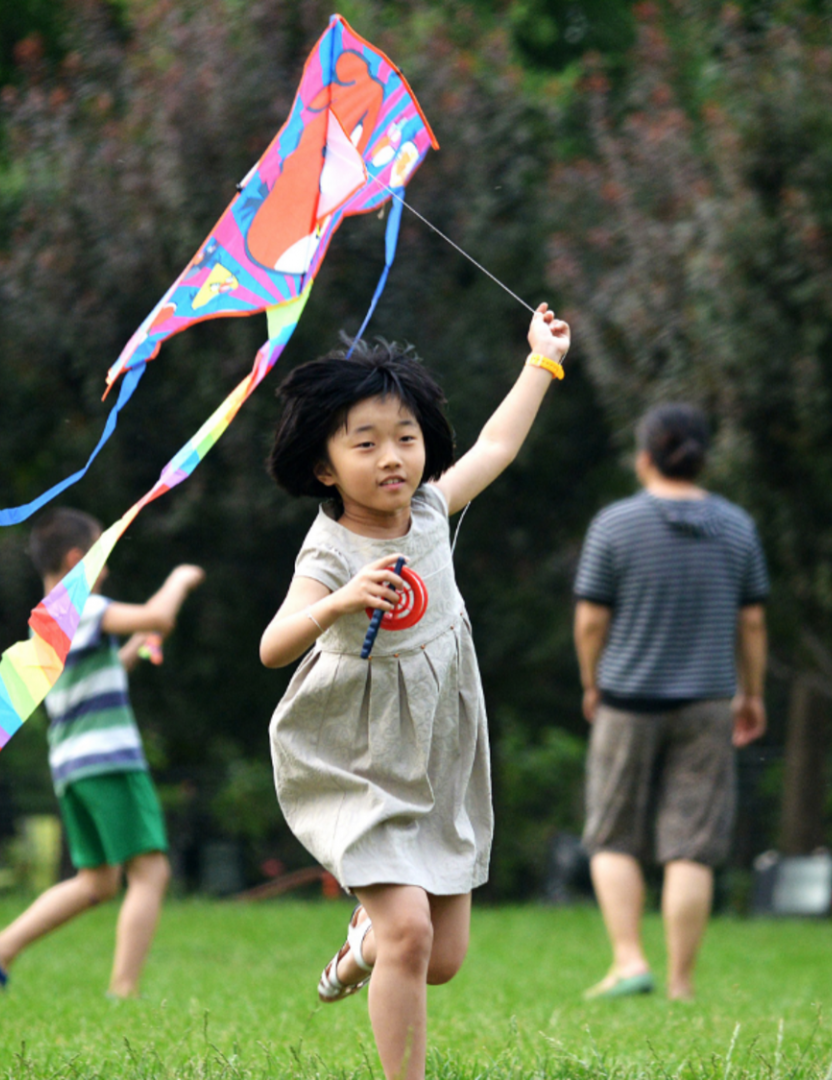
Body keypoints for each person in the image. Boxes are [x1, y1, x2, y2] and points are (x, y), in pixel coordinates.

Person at [258, 305, 571, 1080]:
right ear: (326, 466)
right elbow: (272, 646)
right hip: (354, 755)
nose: (392, 457)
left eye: (405, 437)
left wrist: (543, 360)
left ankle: (363, 943)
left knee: (441, 958)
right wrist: (335, 602)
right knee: (411, 936)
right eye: (365, 443)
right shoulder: (328, 549)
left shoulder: (429, 506)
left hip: (438, 746)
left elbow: (497, 444)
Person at [0, 508, 204, 1000]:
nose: (107, 568)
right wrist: (179, 580)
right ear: (78, 558)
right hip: (109, 761)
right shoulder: (81, 607)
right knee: (151, 872)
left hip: (73, 768)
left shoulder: (45, 623)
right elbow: (159, 614)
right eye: (102, 555)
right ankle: (124, 991)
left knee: (97, 882)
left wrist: (138, 644)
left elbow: (102, 671)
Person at [572, 403, 768, 1002]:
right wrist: (752, 692)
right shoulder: (737, 527)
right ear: (703, 456)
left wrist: (591, 681)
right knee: (692, 845)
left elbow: (589, 620)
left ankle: (629, 961)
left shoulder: (615, 524)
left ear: (645, 457)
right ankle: (680, 983)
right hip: (708, 698)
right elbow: (753, 620)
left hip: (626, 698)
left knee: (612, 834)